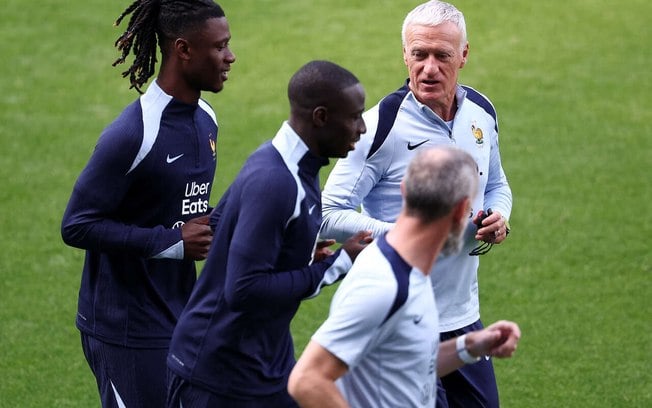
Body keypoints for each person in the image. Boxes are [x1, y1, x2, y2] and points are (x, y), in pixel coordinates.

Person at [319, 1, 512, 407]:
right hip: (401, 319)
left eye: (441, 55)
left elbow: (495, 183)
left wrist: (500, 216)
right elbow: (327, 213)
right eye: (418, 54)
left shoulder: (481, 112)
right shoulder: (379, 127)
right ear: (404, 55)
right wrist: (417, 236)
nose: (428, 68)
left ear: (463, 55)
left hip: (461, 314)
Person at [166, 60, 373, 408]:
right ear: (320, 117)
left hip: (263, 365)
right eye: (355, 116)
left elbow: (223, 228)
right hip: (218, 375)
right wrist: (338, 263)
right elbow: (243, 290)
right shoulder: (276, 181)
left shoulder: (289, 164)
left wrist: (298, 254)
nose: (362, 128)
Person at [60, 1, 235, 407]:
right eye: (219, 47)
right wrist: (171, 243)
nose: (230, 57)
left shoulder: (206, 119)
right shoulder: (133, 133)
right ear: (183, 49)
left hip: (180, 314)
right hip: (125, 327)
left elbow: (185, 215)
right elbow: (77, 225)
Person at [289, 146, 521, 408]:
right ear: (460, 211)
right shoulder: (384, 284)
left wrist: (470, 345)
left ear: (404, 190)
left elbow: (409, 363)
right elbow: (307, 379)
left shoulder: (410, 268)